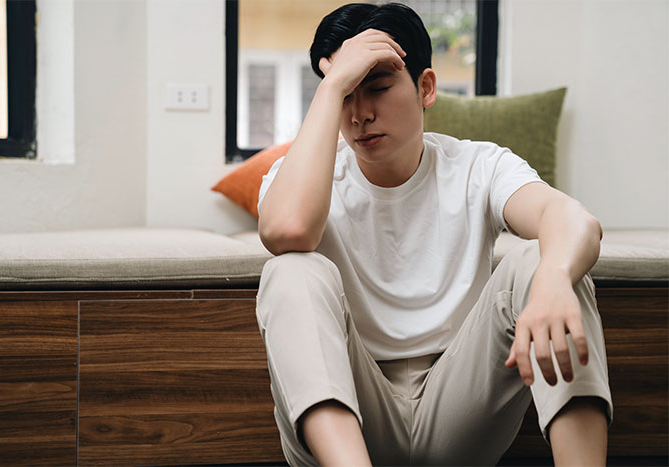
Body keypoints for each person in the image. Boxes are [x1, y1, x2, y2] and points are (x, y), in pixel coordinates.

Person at [255, 3, 612, 465]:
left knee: (545, 260)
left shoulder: (477, 165)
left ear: (425, 87)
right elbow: (288, 231)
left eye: (377, 88)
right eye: (345, 95)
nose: (360, 114)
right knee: (291, 270)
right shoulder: (300, 178)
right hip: (352, 412)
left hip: (458, 403)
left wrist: (554, 278)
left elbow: (572, 217)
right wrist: (330, 87)